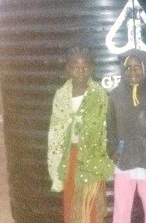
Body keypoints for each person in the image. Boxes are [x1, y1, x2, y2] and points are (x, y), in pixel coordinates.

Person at [47, 46, 114, 223]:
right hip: (70, 157)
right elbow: (56, 129)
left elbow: (105, 126)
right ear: (68, 69)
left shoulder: (98, 94)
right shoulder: (61, 96)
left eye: (85, 67)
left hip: (93, 154)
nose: (81, 72)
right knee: (72, 197)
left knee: (91, 199)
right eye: (76, 68)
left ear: (91, 68)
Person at [107, 48, 146, 223]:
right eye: (128, 67)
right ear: (122, 70)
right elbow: (110, 128)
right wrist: (113, 151)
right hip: (124, 160)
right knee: (121, 209)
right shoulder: (115, 96)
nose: (133, 71)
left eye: (137, 67)